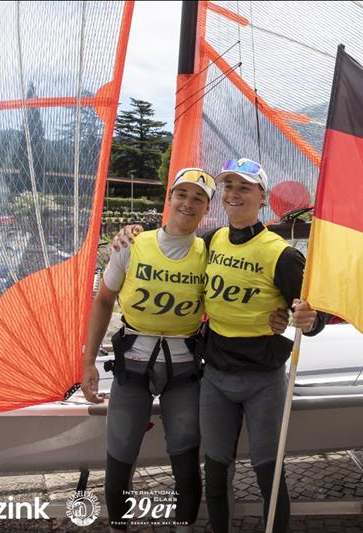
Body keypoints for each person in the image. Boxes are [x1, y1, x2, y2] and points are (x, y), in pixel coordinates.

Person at [115, 158, 324, 533]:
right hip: (215, 376)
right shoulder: (211, 242)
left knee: (268, 473)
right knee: (215, 472)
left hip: (263, 379)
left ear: (262, 197)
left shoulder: (282, 254)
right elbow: (171, 239)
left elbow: (314, 315)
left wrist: (307, 319)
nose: (234, 194)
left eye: (245, 188)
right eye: (228, 186)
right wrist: (133, 230)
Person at [81, 168, 216, 533]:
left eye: (198, 198)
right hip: (133, 365)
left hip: (184, 369)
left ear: (207, 209)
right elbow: (103, 301)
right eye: (182, 194)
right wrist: (88, 361)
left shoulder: (210, 252)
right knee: (120, 455)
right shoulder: (132, 244)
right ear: (169, 198)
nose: (188, 203)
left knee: (186, 458)